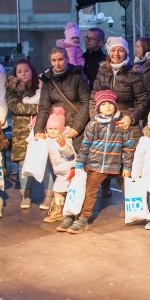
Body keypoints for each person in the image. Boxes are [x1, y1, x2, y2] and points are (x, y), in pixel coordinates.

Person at [60, 89, 135, 233]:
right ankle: (82, 216)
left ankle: (133, 211)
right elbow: (85, 145)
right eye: (103, 104)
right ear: (98, 107)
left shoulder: (121, 124)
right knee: (89, 191)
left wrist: (127, 167)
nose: (107, 106)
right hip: (96, 164)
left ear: (115, 105)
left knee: (128, 187)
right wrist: (80, 164)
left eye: (110, 103)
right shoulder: (93, 124)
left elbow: (128, 147)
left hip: (116, 164)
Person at [89, 37, 149, 197]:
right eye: (113, 50)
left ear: (126, 52)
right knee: (104, 156)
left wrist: (131, 118)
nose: (116, 53)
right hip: (104, 120)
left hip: (125, 121)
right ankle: (104, 187)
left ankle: (133, 199)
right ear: (109, 51)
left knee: (128, 162)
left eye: (121, 50)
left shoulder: (133, 73)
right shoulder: (102, 71)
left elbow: (143, 101)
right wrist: (95, 119)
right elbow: (93, 97)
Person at [33, 47, 92, 210]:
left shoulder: (77, 76)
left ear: (66, 59)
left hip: (75, 128)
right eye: (54, 60)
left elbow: (86, 103)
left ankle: (78, 204)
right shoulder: (47, 80)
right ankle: (59, 203)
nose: (57, 63)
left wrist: (76, 127)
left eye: (60, 59)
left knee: (76, 166)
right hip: (56, 129)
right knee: (58, 166)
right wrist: (38, 129)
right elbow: (44, 106)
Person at [6, 59, 43, 209]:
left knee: (46, 162)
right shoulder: (12, 89)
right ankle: (25, 194)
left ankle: (51, 194)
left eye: (26, 71)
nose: (23, 74)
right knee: (23, 163)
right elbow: (16, 107)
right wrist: (40, 108)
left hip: (40, 128)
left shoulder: (39, 86)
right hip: (21, 131)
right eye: (19, 72)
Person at [42, 111, 76, 224]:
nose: (52, 131)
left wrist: (63, 145)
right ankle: (58, 212)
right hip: (59, 172)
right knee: (57, 191)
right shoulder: (49, 139)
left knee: (66, 191)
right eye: (50, 128)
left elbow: (70, 153)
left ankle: (71, 212)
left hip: (69, 170)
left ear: (61, 130)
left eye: (55, 129)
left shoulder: (64, 139)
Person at [133, 36, 150, 110]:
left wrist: (145, 104)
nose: (135, 49)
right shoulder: (137, 64)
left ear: (147, 48)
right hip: (139, 106)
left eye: (138, 47)